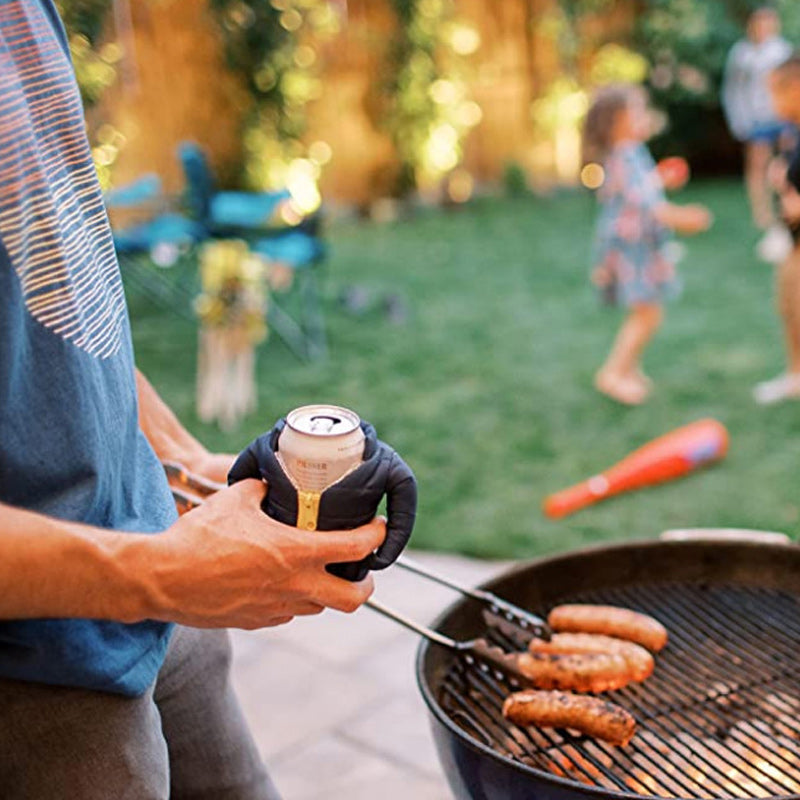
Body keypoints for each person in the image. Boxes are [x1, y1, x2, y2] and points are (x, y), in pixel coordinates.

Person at [0, 3, 385, 798]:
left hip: (152, 596)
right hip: (41, 685)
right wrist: (154, 574)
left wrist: (177, 460)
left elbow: (57, 308)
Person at [584, 84, 713, 405]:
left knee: (643, 311)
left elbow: (639, 190)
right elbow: (648, 206)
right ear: (616, 121)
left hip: (635, 245)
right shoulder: (625, 155)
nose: (645, 117)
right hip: (634, 249)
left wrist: (660, 179)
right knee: (647, 314)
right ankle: (613, 373)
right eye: (637, 111)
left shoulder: (629, 151)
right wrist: (686, 218)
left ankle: (628, 369)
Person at [722, 5, 794, 263]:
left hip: (782, 118)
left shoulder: (782, 50)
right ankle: (761, 214)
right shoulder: (741, 54)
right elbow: (732, 90)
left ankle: (785, 209)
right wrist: (738, 120)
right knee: (757, 166)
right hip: (755, 119)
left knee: (786, 163)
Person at [753, 54, 800, 403]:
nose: (772, 100)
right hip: (794, 241)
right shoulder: (792, 131)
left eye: (775, 91)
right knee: (788, 305)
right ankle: (796, 374)